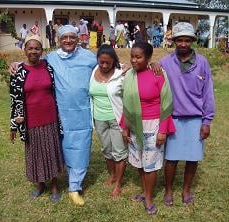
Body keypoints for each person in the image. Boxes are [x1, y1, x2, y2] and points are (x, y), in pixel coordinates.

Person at [10, 25, 97, 206]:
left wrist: (125, 66)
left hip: (81, 114)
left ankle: (74, 187)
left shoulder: (89, 57)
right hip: (60, 116)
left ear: (78, 39)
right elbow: (31, 63)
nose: (67, 40)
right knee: (59, 149)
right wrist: (16, 64)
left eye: (71, 37)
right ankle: (48, 182)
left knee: (80, 149)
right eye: (64, 37)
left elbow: (108, 64)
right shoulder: (51, 59)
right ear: (58, 40)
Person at [159, 22, 215, 206]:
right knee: (172, 158)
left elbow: (208, 92)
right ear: (174, 41)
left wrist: (207, 121)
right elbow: (150, 76)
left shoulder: (202, 62)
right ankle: (168, 190)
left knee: (192, 158)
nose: (183, 44)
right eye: (179, 40)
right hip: (173, 118)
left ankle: (186, 190)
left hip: (195, 119)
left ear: (192, 41)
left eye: (187, 40)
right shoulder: (166, 63)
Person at [121, 41, 175, 215]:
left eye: (139, 57)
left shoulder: (158, 74)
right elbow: (126, 104)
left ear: (148, 58)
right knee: (139, 160)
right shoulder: (129, 75)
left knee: (150, 163)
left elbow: (167, 104)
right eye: (132, 56)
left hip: (154, 125)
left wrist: (163, 130)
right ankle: (144, 191)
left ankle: (150, 197)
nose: (134, 60)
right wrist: (125, 127)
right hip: (135, 124)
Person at [10, 35, 63, 202]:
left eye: (37, 48)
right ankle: (41, 184)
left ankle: (54, 184)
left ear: (42, 51)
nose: (34, 51)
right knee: (36, 153)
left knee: (52, 151)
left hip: (50, 118)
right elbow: (15, 99)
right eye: (30, 48)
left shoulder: (49, 67)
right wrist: (13, 125)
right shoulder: (18, 71)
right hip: (31, 120)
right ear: (25, 50)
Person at [89, 44, 127, 199]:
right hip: (99, 119)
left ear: (114, 61)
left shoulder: (121, 73)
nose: (104, 66)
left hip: (116, 119)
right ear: (97, 60)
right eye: (101, 62)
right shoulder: (92, 72)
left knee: (119, 152)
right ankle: (112, 175)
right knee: (106, 149)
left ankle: (118, 183)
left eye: (108, 63)